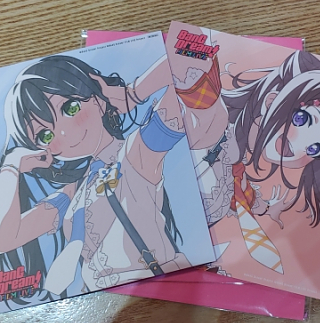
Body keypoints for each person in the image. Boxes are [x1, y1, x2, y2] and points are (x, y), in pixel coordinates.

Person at [0, 54, 190, 303]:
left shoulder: (135, 153)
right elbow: (5, 238)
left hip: (158, 293)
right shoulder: (72, 192)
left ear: (98, 101)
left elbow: (192, 64)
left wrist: (132, 94)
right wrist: (11, 166)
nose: (64, 133)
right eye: (45, 135)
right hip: (100, 304)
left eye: (70, 108)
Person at [171, 49, 320, 274]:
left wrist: (267, 208)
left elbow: (238, 187)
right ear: (271, 101)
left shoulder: (235, 161)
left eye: (316, 148)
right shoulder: (214, 121)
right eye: (302, 119)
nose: (298, 146)